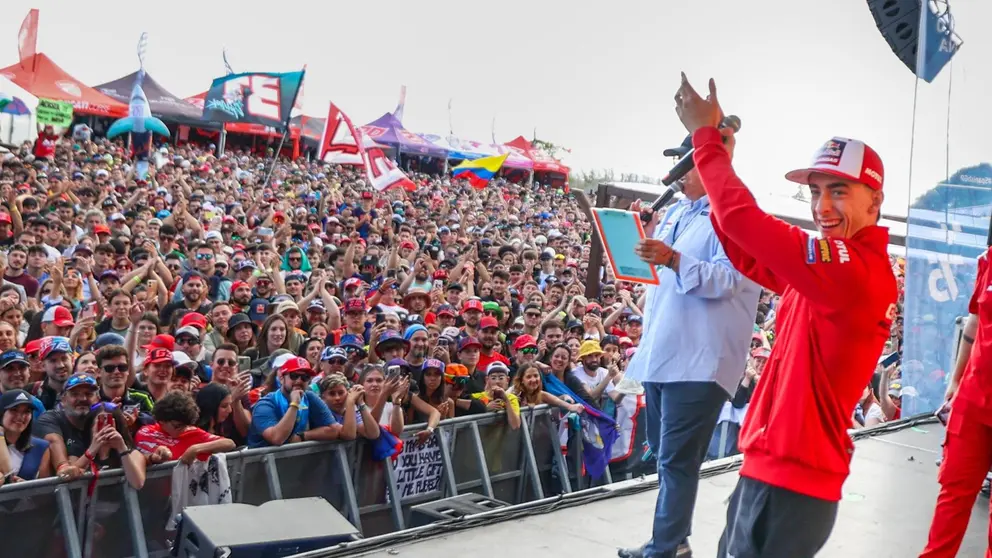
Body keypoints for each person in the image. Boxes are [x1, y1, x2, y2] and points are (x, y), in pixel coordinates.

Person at [671, 74, 896, 556]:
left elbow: (744, 222)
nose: (822, 206)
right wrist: (721, 163)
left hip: (795, 482)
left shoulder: (853, 271)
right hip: (771, 470)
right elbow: (747, 250)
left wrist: (706, 142)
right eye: (816, 192)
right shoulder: (832, 269)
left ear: (875, 200)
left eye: (839, 191)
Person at [614, 121, 760, 558]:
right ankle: (672, 540)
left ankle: (666, 547)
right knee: (665, 455)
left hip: (700, 361)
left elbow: (730, 280)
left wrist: (674, 258)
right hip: (664, 353)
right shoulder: (679, 211)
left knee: (677, 459)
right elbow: (660, 276)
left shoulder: (733, 215)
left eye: (688, 166)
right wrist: (638, 246)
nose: (680, 176)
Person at [247, 356, 342, 448]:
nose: (299, 381)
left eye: (305, 377)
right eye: (294, 376)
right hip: (262, 462)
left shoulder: (309, 397)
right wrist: (294, 404)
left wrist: (303, 436)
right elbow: (277, 438)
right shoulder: (266, 404)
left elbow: (335, 430)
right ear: (281, 378)